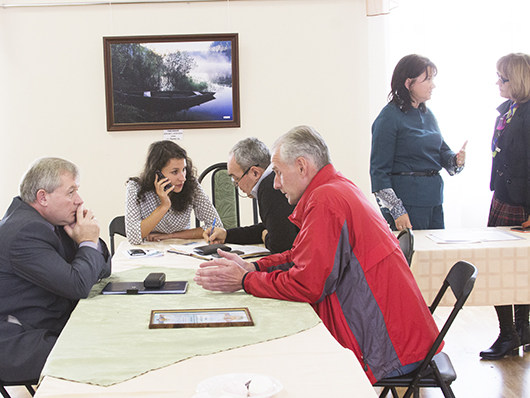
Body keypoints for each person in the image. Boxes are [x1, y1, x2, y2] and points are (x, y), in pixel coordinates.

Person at [194, 125, 441, 383]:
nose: (275, 184)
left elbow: (307, 285)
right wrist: (255, 269)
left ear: (302, 166)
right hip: (401, 336)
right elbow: (300, 254)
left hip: (388, 349)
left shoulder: (326, 200)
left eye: (277, 173)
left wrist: (245, 281)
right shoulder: (334, 188)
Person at [0, 157, 112, 382]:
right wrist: (87, 241)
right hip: (22, 339)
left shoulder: (49, 221)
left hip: (49, 322)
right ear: (43, 197)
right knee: (108, 353)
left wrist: (88, 241)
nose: (79, 201)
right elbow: (78, 285)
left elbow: (102, 270)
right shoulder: (26, 231)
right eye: (71, 192)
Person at [370, 54, 467, 231]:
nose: (433, 85)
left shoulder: (428, 114)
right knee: (415, 256)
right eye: (427, 79)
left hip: (434, 200)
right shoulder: (389, 118)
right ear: (409, 84)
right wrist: (397, 210)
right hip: (408, 203)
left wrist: (456, 160)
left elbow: (442, 152)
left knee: (437, 256)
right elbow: (378, 172)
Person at [479, 53, 530, 360]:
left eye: (503, 78)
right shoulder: (510, 110)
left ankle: (520, 331)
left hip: (522, 201)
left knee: (520, 268)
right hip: (503, 196)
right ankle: (510, 333)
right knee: (498, 265)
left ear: (519, 81)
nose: (497, 82)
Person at [204, 137, 299, 253]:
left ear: (255, 172)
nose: (236, 184)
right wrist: (227, 235)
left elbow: (280, 245)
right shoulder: (270, 180)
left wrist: (266, 237)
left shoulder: (270, 188)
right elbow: (268, 228)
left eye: (236, 178)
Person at [126, 140, 222, 244]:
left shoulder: (191, 184)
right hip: (150, 251)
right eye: (174, 172)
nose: (182, 178)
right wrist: (164, 206)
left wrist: (170, 236)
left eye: (184, 169)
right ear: (156, 173)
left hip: (181, 247)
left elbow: (217, 227)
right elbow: (133, 238)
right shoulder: (135, 187)